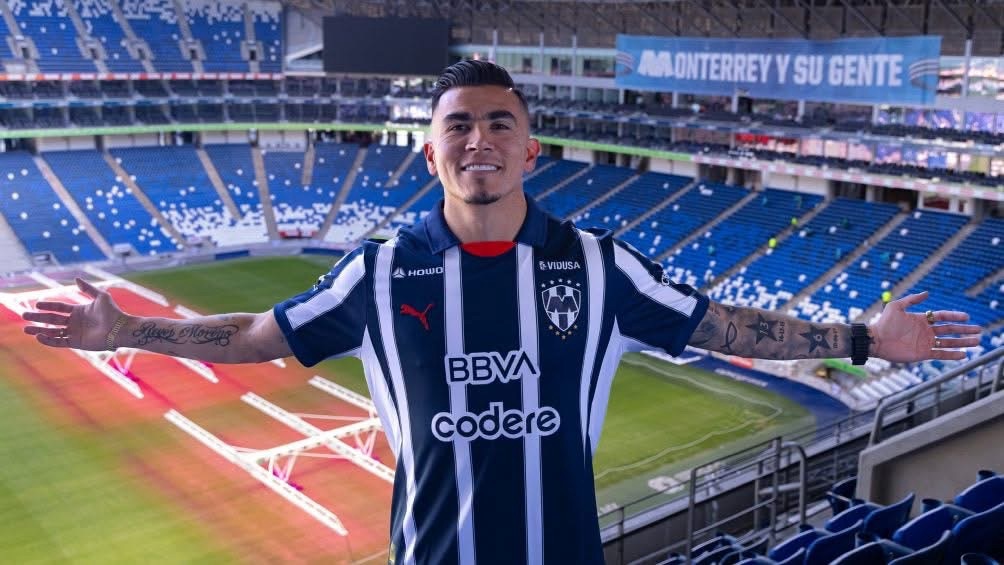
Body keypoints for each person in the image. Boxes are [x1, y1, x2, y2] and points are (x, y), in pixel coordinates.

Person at [23, 61, 980, 565]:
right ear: (430, 153)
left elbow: (726, 328)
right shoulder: (379, 271)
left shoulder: (598, 267)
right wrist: (126, 329)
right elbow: (257, 334)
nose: (478, 138)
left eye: (499, 122)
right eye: (457, 124)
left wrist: (865, 339)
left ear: (530, 150)